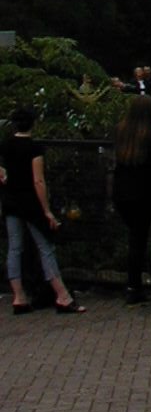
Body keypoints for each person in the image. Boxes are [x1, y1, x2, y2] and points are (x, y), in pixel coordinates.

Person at [1, 106, 85, 314]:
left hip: (11, 199)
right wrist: (46, 210)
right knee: (45, 246)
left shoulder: (6, 145)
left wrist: (4, 174)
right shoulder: (34, 148)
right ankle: (62, 295)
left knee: (15, 247)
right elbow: (38, 180)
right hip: (30, 202)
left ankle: (19, 296)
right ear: (33, 124)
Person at [113, 94, 151, 304]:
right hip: (144, 192)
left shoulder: (121, 130)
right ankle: (134, 285)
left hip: (122, 191)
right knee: (138, 239)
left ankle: (133, 283)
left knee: (134, 237)